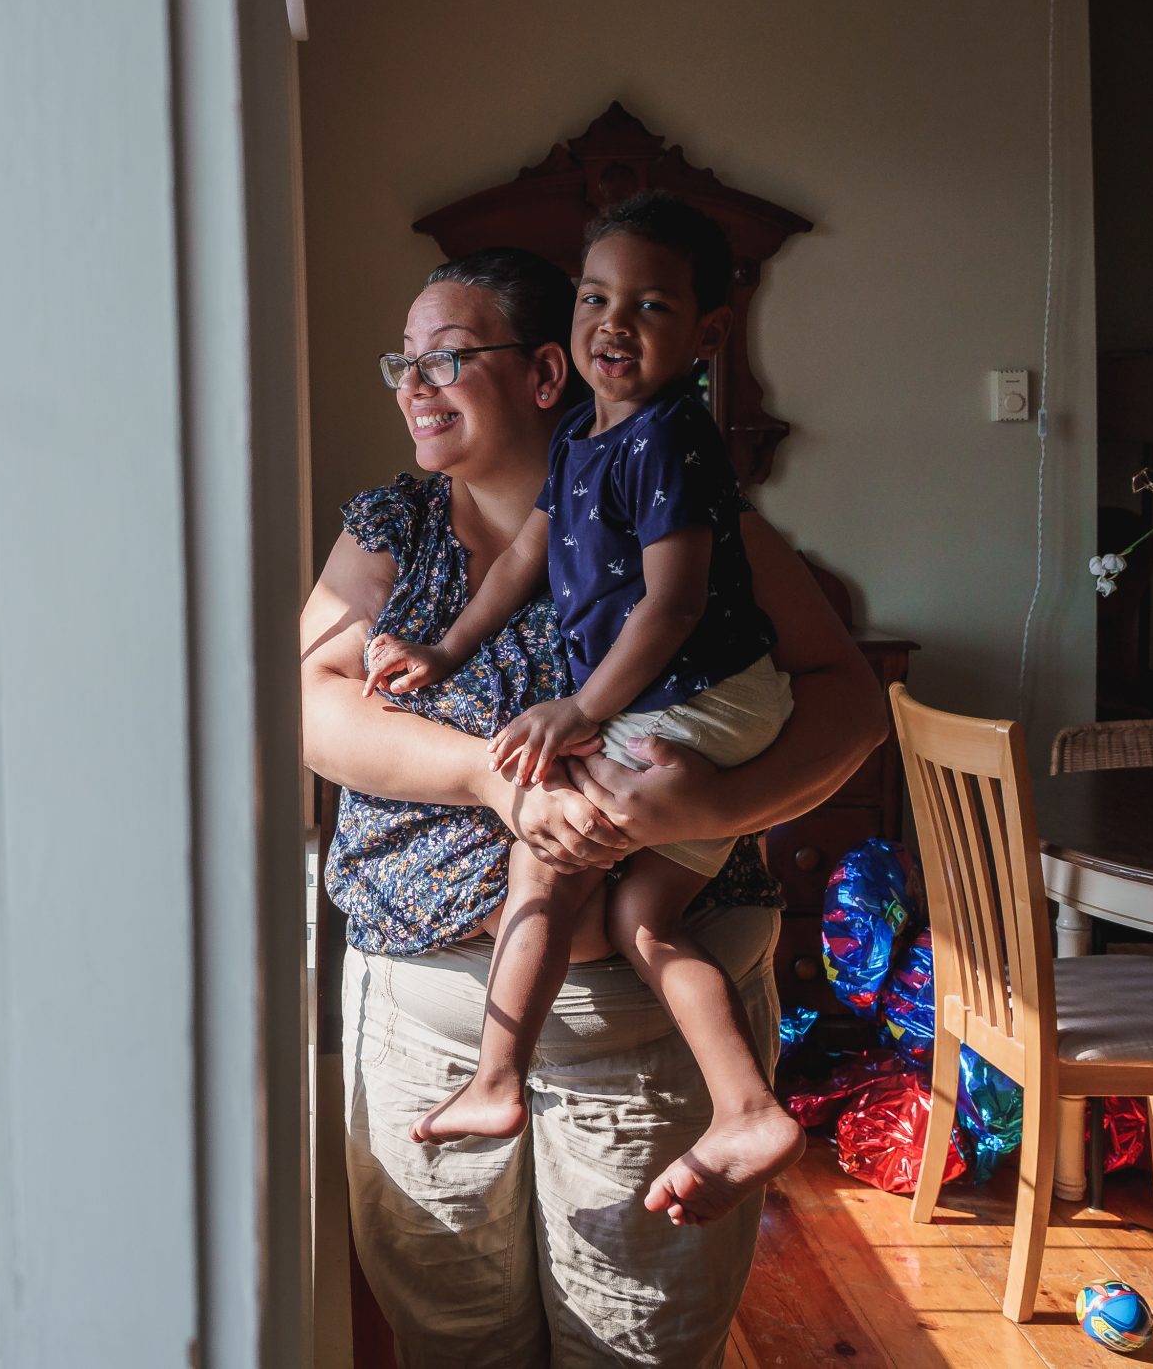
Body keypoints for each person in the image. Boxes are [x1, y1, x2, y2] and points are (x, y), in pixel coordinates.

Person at [301, 245, 884, 1367]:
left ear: (546, 374)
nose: (412, 385)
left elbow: (851, 706)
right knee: (451, 1341)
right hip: (423, 1015)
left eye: (447, 357)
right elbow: (313, 714)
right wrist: (482, 775)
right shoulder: (392, 530)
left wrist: (703, 806)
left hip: (640, 1036)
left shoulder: (695, 519)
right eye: (401, 362)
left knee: (637, 1347)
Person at [364, 195, 802, 1221]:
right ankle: (746, 1106)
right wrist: (444, 646)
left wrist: (578, 709)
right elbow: (525, 558)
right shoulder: (581, 447)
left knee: (546, 842)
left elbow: (677, 603)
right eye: (596, 298)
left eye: (647, 304)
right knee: (644, 917)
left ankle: (494, 1077)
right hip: (671, 703)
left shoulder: (667, 440)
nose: (613, 321)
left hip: (705, 696)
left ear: (703, 336)